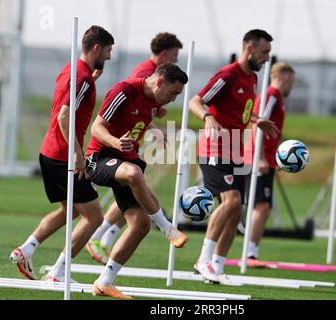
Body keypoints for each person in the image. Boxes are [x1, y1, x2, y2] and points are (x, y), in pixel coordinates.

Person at [9, 26, 114, 282]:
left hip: (49, 152)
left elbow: (70, 100)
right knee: (95, 217)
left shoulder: (72, 69)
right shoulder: (83, 78)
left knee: (72, 211)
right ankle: (58, 273)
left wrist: (92, 80)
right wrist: (77, 155)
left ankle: (26, 249)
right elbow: (65, 116)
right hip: (63, 155)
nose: (110, 57)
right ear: (97, 48)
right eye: (108, 50)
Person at [85, 63, 189, 299]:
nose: (173, 99)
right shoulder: (124, 91)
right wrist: (114, 142)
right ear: (160, 81)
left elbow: (141, 116)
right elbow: (96, 127)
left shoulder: (155, 100)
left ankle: (105, 282)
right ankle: (168, 228)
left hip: (126, 160)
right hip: (99, 158)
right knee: (133, 174)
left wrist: (156, 130)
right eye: (173, 93)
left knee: (141, 224)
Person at [189, 29, 277, 285]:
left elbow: (239, 112)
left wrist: (256, 120)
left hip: (234, 151)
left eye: (269, 53)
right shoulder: (228, 75)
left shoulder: (252, 80)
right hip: (214, 149)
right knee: (231, 201)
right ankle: (202, 260)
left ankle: (215, 266)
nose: (266, 58)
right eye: (264, 52)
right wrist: (208, 117)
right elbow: (196, 101)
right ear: (249, 48)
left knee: (236, 210)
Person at [244, 62, 295, 264]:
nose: (292, 86)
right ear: (285, 77)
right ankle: (249, 254)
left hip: (265, 158)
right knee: (261, 206)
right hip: (257, 159)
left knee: (264, 206)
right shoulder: (272, 94)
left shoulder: (276, 97)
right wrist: (262, 158)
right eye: (293, 81)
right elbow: (258, 123)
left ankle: (251, 251)